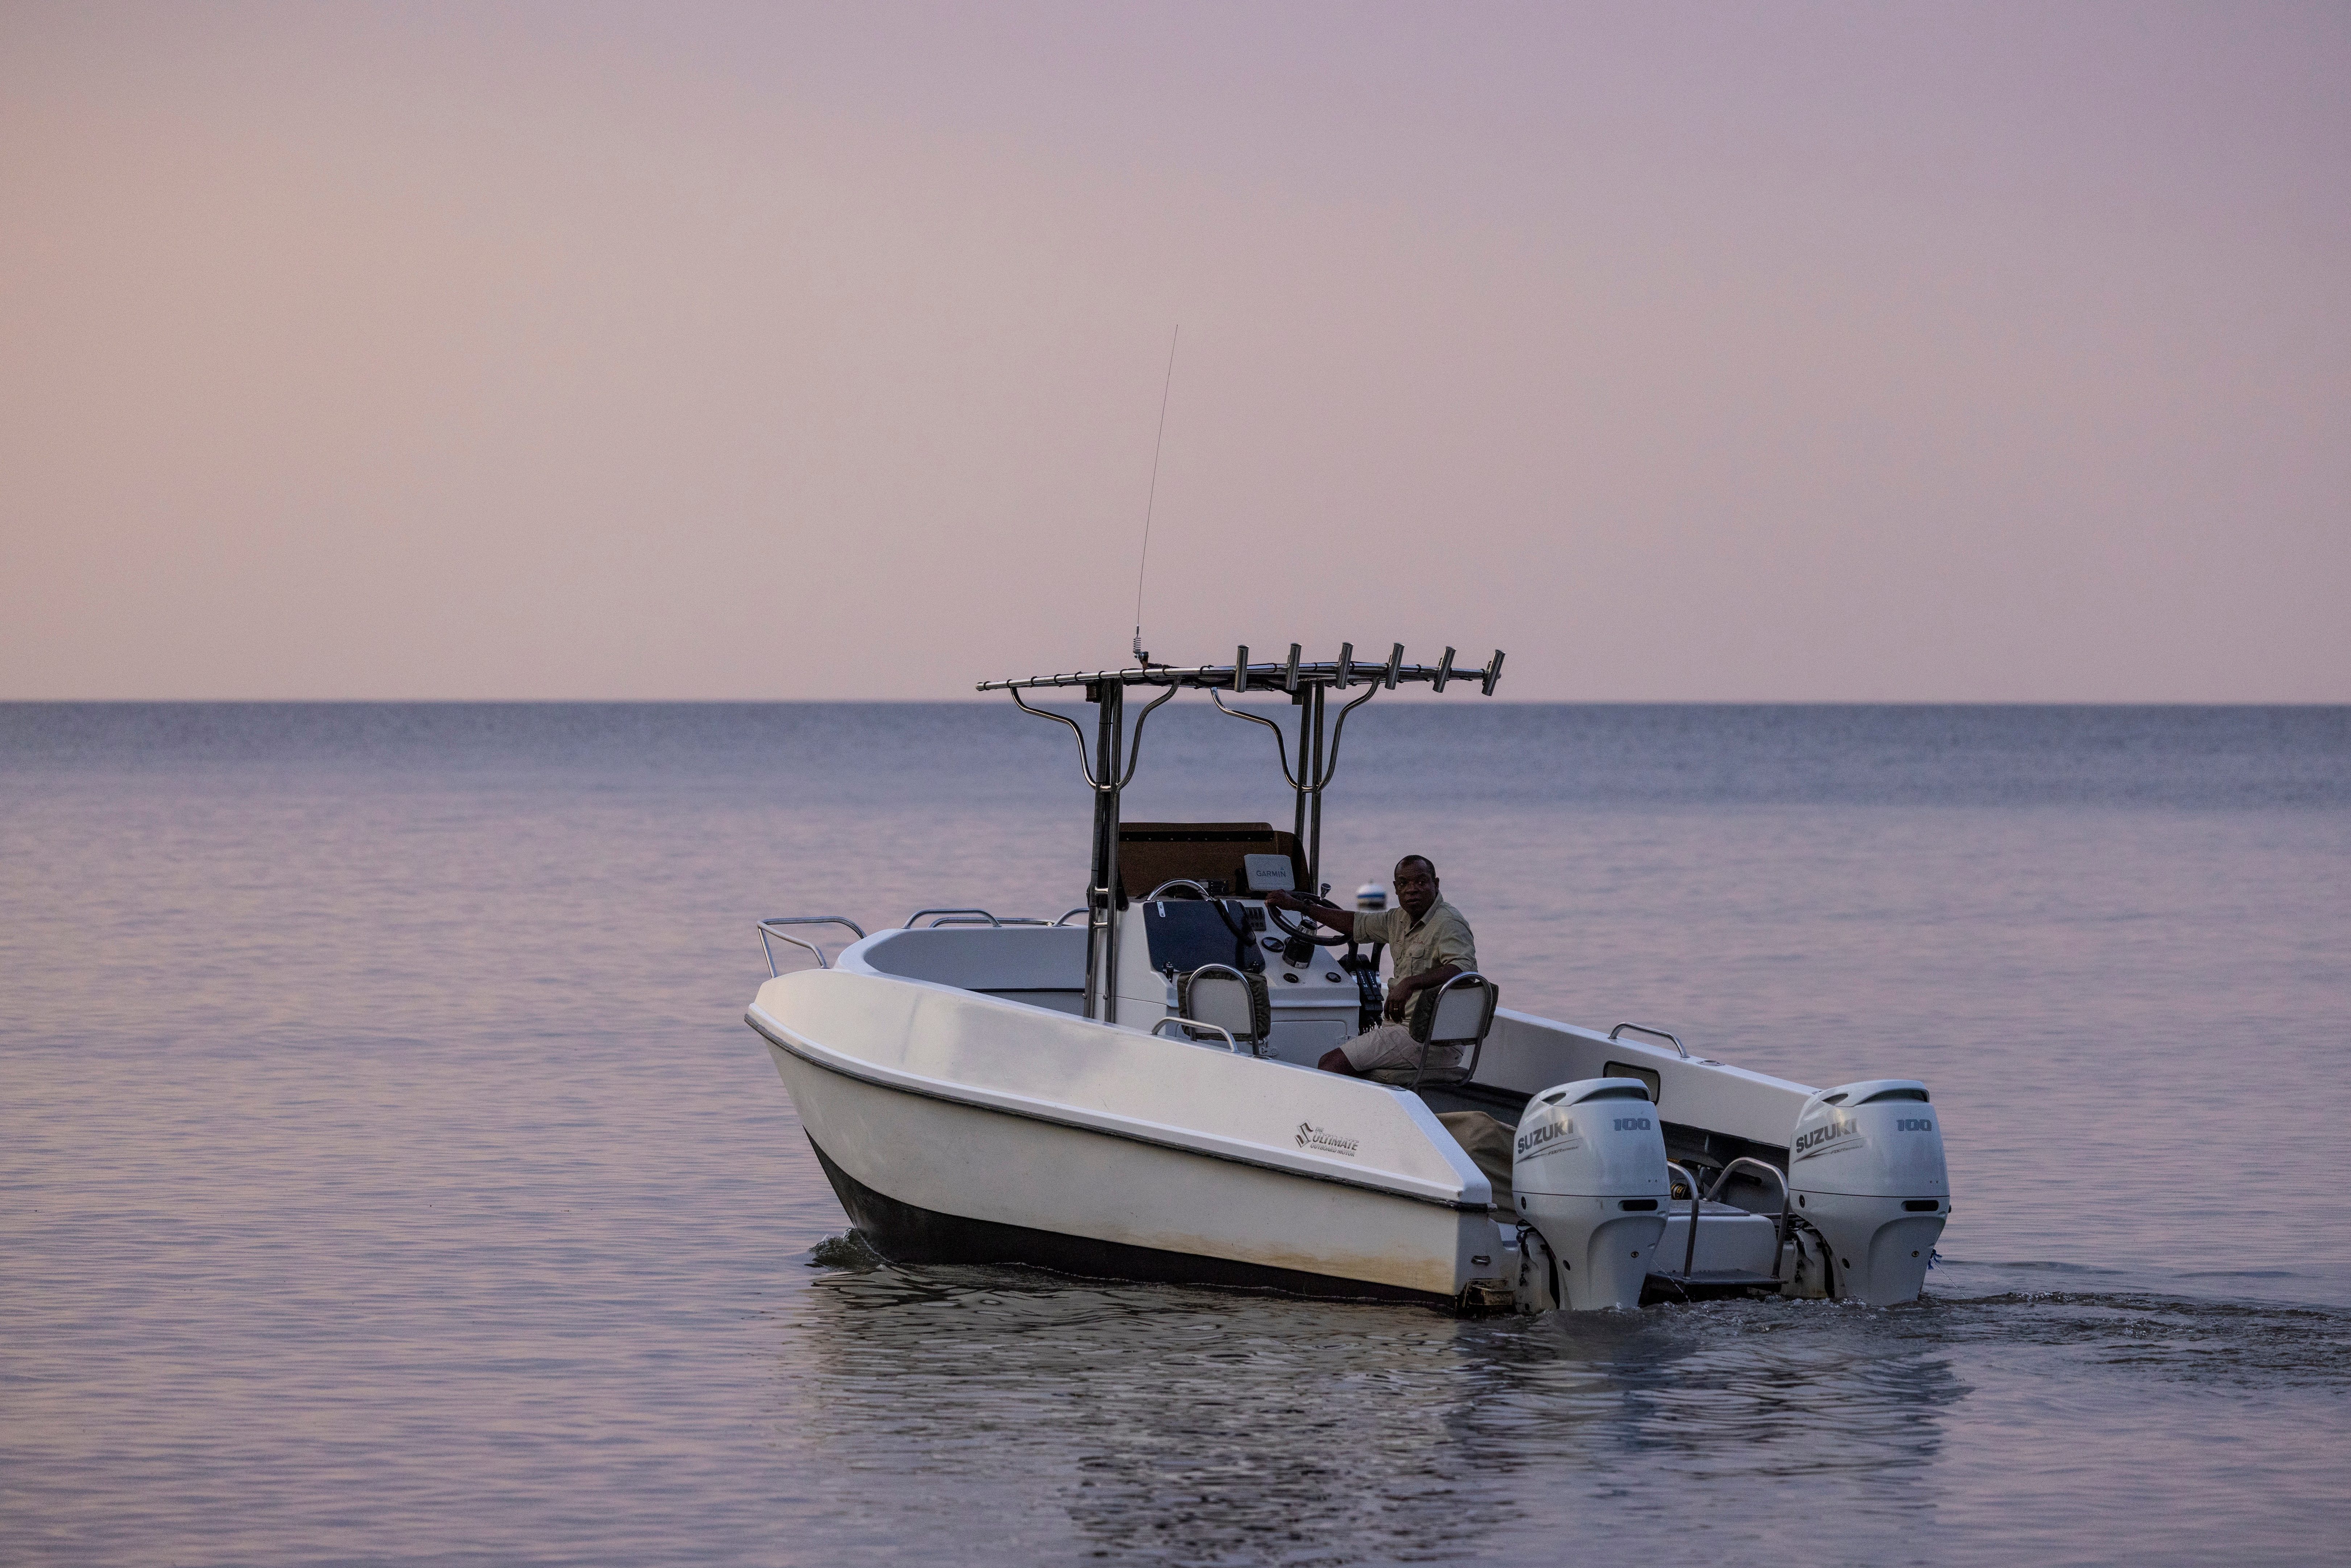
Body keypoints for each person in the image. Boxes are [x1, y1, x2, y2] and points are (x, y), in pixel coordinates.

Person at [1266, 854, 1476, 1076]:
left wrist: (1410, 984)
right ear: (1396, 888)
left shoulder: (1448, 922)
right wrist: (1300, 906)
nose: (1412, 889)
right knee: (1353, 1064)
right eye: (1404, 884)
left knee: (1331, 1064)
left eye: (1421, 882)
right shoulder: (1398, 919)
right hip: (1404, 1032)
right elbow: (1354, 923)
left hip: (1428, 1039)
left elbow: (1463, 970)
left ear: (1436, 884)